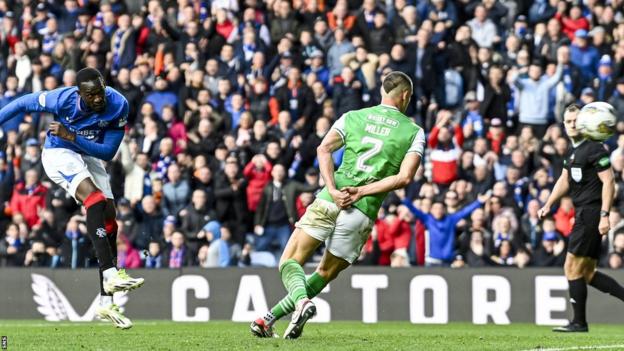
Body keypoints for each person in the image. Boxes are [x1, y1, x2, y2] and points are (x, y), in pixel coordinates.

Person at [250, 71, 425, 339]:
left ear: (381, 92)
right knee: (324, 272)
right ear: (405, 96)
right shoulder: (414, 132)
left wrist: (332, 188)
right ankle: (269, 318)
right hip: (363, 211)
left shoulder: (353, 116)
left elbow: (323, 149)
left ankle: (294, 306)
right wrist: (361, 192)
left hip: (331, 197)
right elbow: (405, 177)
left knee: (289, 261)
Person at [0, 67, 144, 329]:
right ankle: (111, 273)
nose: (98, 99)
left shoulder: (119, 104)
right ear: (80, 94)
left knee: (110, 221)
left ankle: (105, 302)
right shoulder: (62, 98)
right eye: (92, 96)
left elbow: (108, 152)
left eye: (100, 92)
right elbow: (22, 103)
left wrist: (73, 136)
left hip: (86, 152)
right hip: (58, 153)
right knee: (95, 200)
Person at [538, 104, 624, 332]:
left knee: (571, 267)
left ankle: (579, 322)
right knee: (587, 273)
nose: (572, 124)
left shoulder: (594, 148)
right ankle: (580, 321)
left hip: (591, 213)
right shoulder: (574, 151)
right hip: (585, 213)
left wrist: (605, 215)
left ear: (585, 121)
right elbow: (564, 179)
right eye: (568, 121)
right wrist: (548, 203)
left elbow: (609, 182)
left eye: (576, 120)